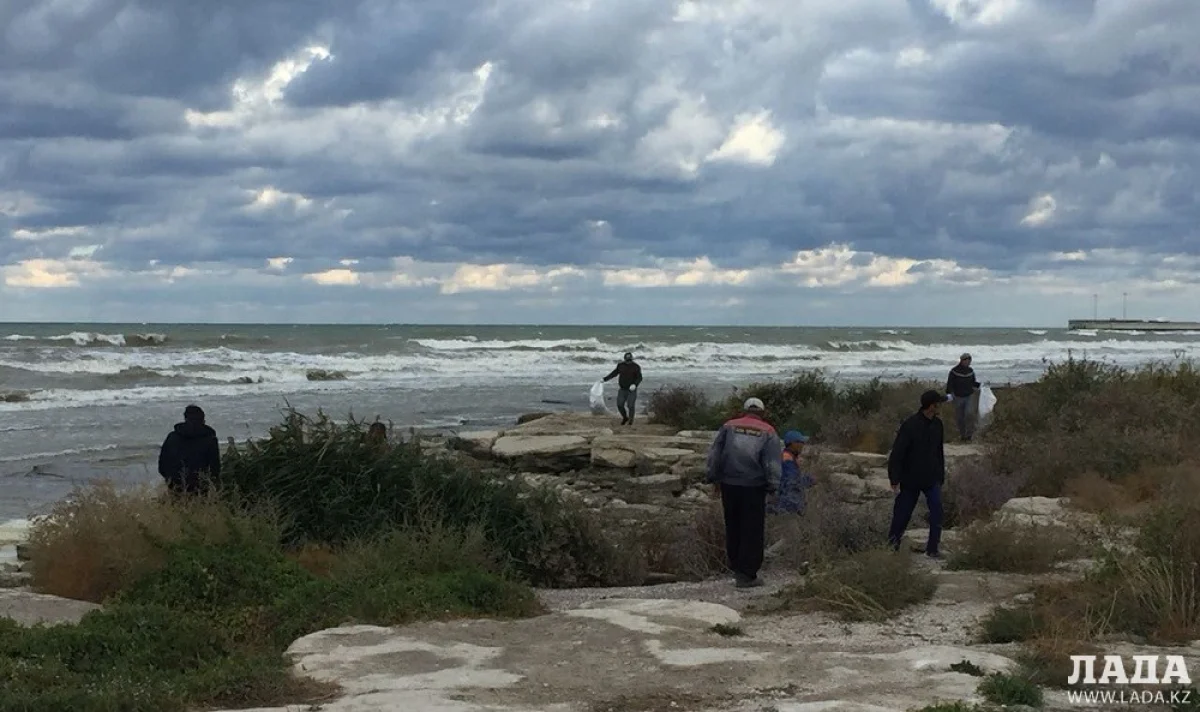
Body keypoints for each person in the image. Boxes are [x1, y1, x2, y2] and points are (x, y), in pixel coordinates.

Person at [706, 397, 783, 588]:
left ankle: (736, 566)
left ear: (745, 411)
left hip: (729, 484)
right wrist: (774, 485)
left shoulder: (729, 426)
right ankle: (747, 574)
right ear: (762, 412)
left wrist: (713, 477)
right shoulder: (768, 431)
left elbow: (715, 453)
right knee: (752, 529)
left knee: (733, 525)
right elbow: (772, 462)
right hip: (754, 486)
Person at [887, 390, 948, 558]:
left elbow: (939, 452)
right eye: (939, 404)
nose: (941, 406)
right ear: (931, 406)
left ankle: (933, 550)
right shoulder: (910, 425)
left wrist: (940, 475)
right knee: (902, 515)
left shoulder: (938, 425)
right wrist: (894, 477)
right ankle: (891, 549)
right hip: (910, 479)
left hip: (931, 478)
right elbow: (898, 453)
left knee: (937, 511)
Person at [158, 404, 221, 496]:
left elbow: (162, 463)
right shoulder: (210, 439)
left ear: (185, 419)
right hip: (200, 488)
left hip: (175, 486)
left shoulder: (172, 437)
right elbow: (215, 468)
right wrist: (212, 484)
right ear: (203, 420)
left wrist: (170, 480)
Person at [769, 431, 815, 515]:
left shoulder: (788, 456)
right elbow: (792, 482)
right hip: (786, 503)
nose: (803, 445)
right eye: (801, 442)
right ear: (793, 443)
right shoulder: (788, 460)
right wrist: (810, 480)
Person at [946, 353, 981, 441]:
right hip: (957, 397)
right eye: (966, 360)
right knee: (960, 418)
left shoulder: (970, 371)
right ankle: (963, 435)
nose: (968, 362)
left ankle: (969, 435)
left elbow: (973, 383)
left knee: (969, 414)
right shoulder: (954, 371)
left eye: (969, 360)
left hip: (969, 396)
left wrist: (982, 385)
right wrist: (949, 394)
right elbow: (950, 384)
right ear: (962, 361)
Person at [603, 352, 643, 426]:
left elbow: (639, 378)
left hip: (632, 390)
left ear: (632, 359)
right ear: (624, 359)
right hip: (622, 389)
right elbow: (614, 373)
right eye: (627, 360)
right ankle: (625, 417)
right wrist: (605, 379)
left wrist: (635, 384)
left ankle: (631, 420)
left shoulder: (636, 367)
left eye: (630, 360)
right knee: (619, 404)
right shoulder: (620, 365)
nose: (628, 362)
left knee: (630, 405)